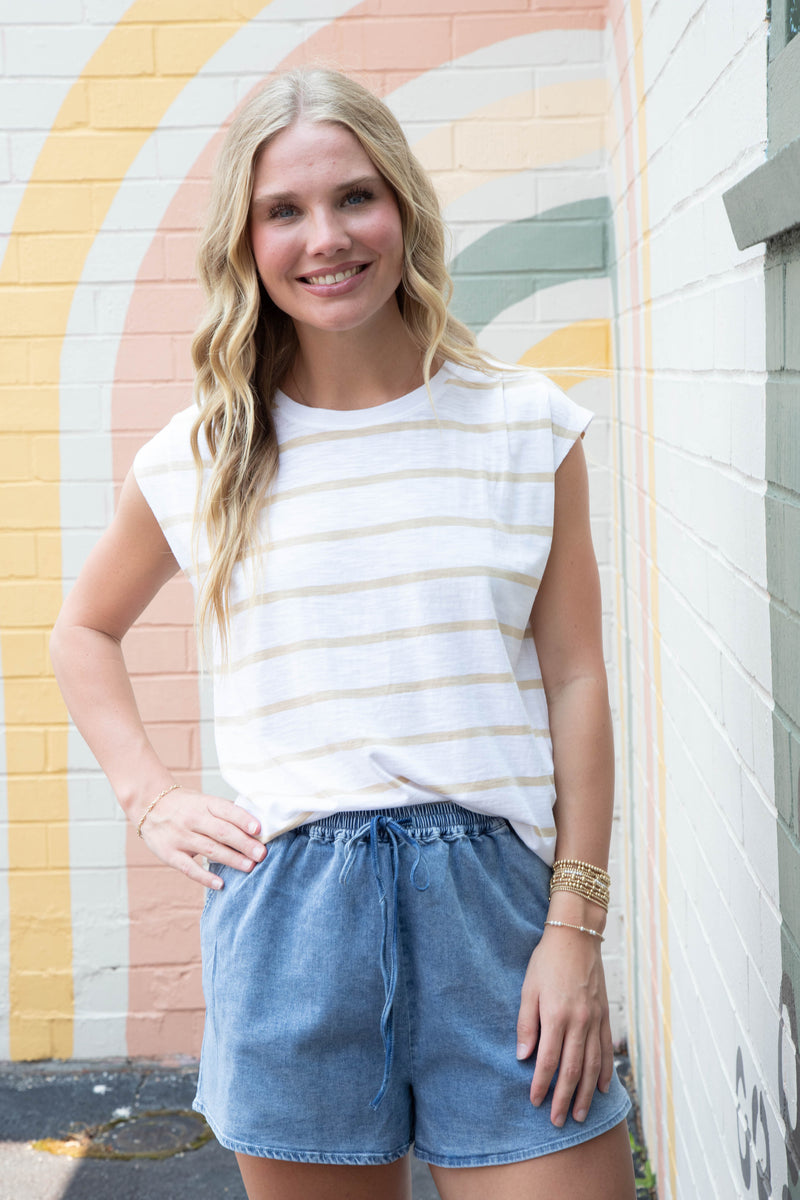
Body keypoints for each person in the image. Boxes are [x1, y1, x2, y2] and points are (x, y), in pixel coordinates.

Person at [50, 67, 637, 1200]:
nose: (326, 238)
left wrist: (576, 924)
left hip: (498, 919)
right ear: (246, 240)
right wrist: (148, 797)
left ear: (402, 206)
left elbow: (576, 678)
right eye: (284, 210)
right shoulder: (207, 451)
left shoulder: (524, 424)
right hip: (293, 922)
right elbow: (82, 629)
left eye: (354, 196)